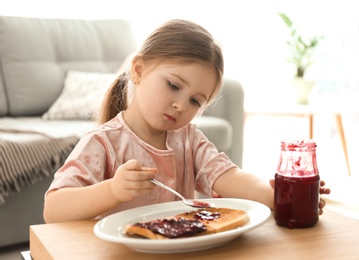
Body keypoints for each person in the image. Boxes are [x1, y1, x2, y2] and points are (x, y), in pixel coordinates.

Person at [43, 19, 330, 223]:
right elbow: (53, 209)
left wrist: (281, 196)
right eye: (173, 85)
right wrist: (113, 190)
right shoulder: (103, 142)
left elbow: (229, 177)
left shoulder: (189, 139)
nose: (181, 105)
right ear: (139, 70)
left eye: (195, 101)